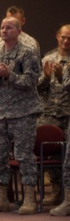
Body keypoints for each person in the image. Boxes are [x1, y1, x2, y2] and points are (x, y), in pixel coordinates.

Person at [0, 16, 42, 215]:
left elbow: (32, 82)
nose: (4, 31)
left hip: (23, 112)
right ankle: (0, 197)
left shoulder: (28, 52)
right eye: (2, 27)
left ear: (18, 30)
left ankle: (30, 198)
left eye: (9, 28)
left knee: (24, 155)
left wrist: (10, 75)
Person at [39, 24, 70, 207]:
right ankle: (56, 191)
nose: (66, 41)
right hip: (50, 112)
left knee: (68, 156)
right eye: (64, 37)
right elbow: (39, 88)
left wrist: (60, 78)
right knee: (51, 155)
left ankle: (68, 195)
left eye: (69, 38)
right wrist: (45, 76)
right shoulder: (48, 59)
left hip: (68, 113)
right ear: (58, 36)